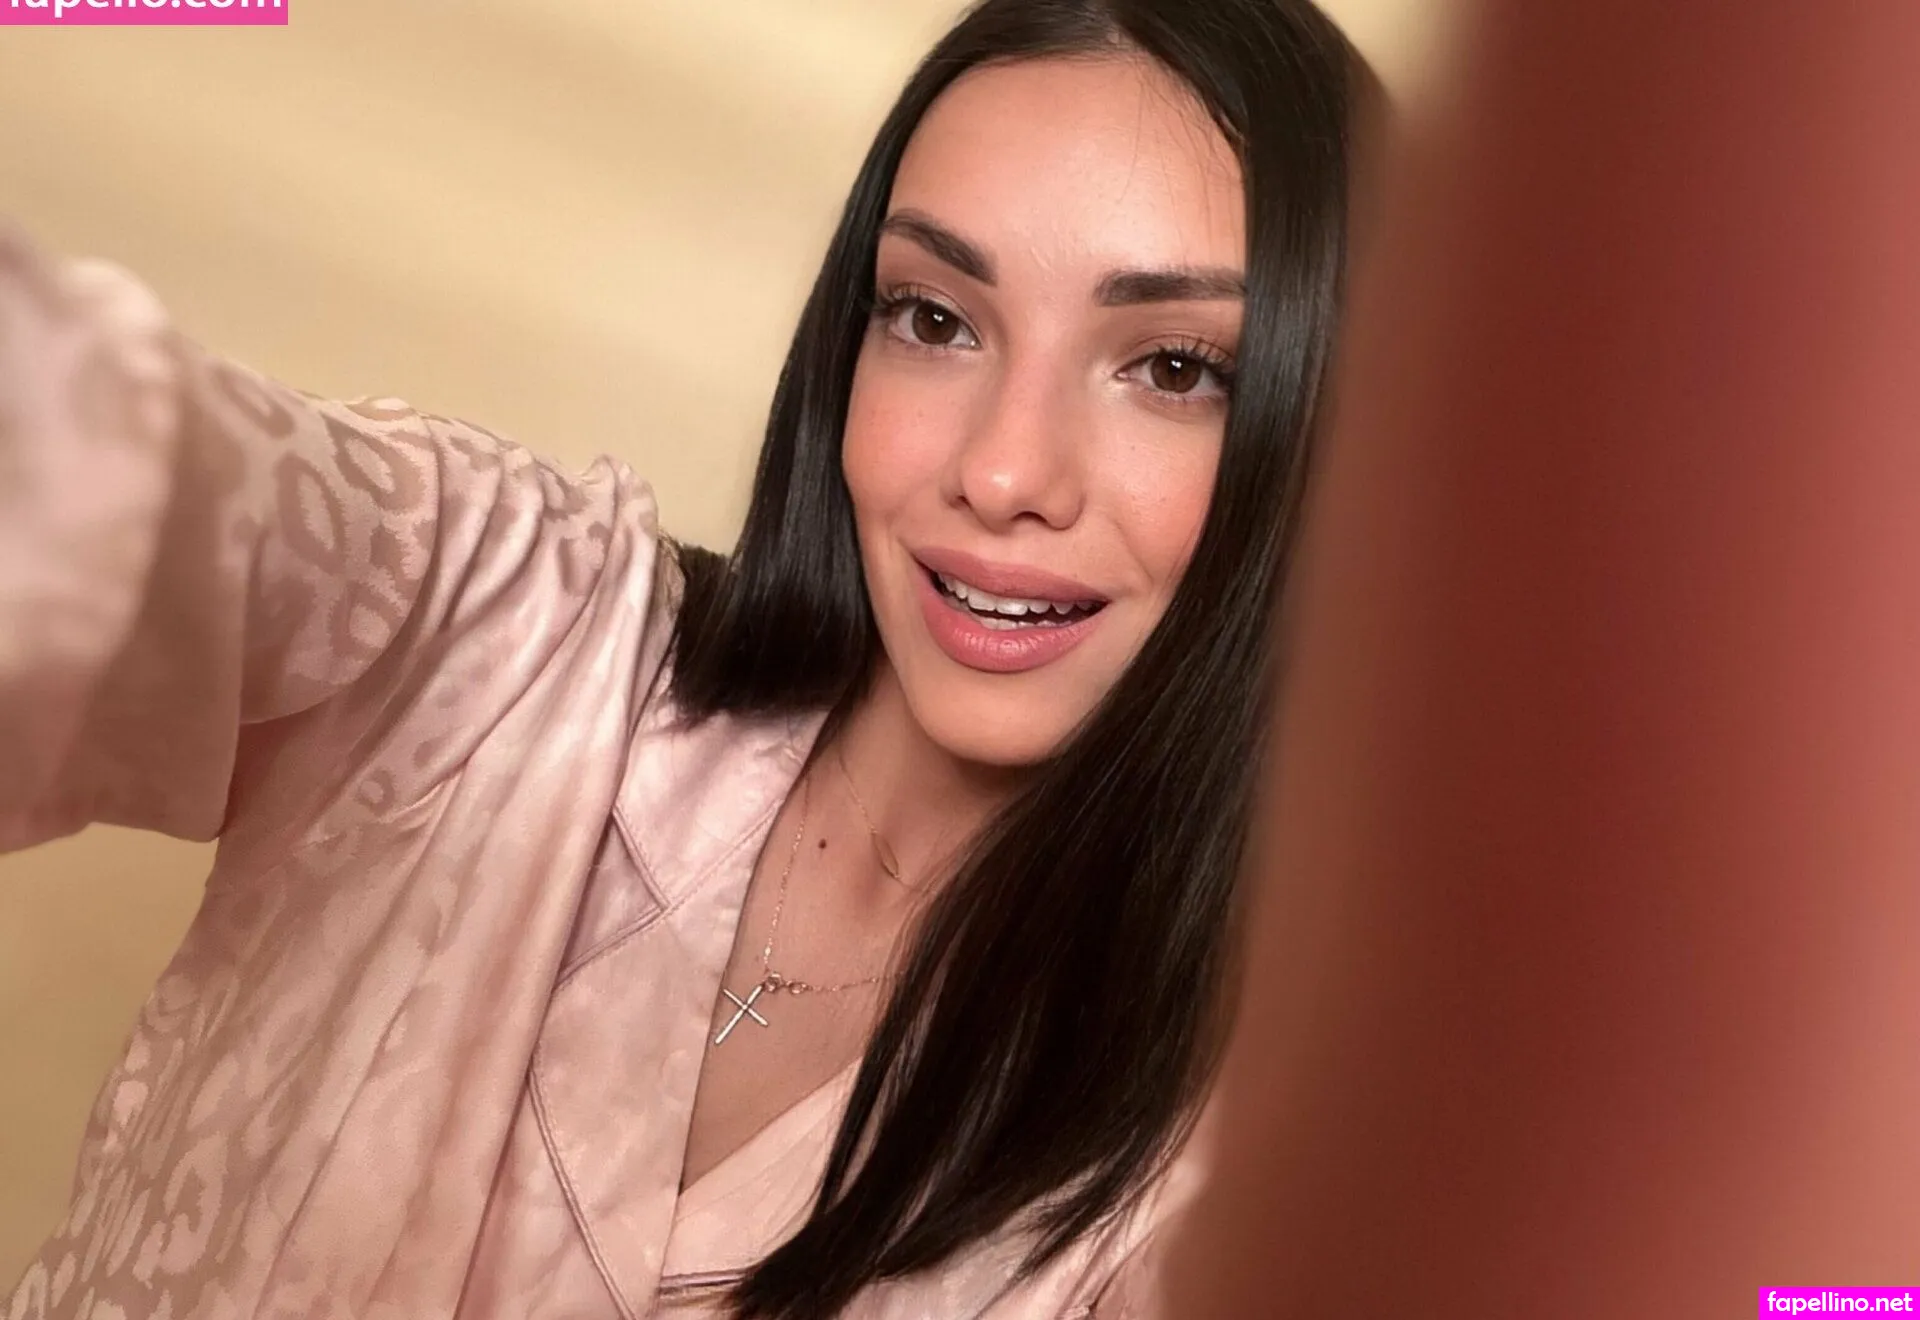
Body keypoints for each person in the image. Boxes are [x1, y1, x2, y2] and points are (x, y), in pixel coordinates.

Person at [0, 1, 1369, 1316]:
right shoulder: (500, 626)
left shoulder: (1266, 1169)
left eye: (1177, 369)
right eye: (934, 319)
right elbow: (92, 453)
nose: (1002, 473)